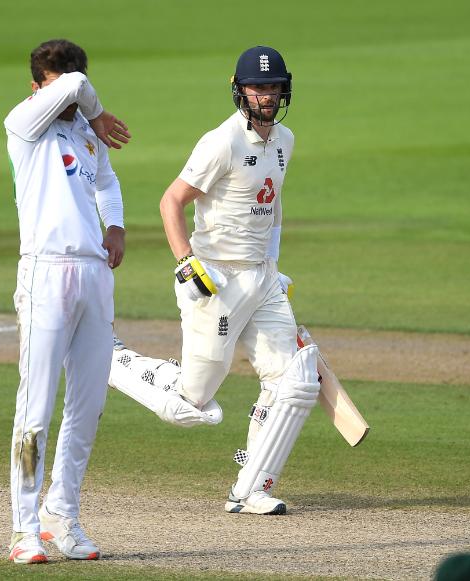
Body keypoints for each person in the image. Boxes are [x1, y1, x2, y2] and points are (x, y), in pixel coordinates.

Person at [109, 45, 317, 516]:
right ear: (240, 90)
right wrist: (186, 262)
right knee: (193, 403)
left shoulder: (284, 140)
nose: (267, 95)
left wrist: (274, 265)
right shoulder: (222, 142)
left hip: (260, 279)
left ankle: (252, 486)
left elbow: (273, 207)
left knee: (293, 380)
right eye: (259, 87)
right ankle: (110, 357)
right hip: (215, 281)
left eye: (274, 86)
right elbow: (171, 201)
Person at [4, 39, 131, 564]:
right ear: (38, 88)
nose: (69, 91)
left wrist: (116, 225)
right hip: (46, 272)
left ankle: (63, 515)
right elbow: (76, 86)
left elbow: (107, 182)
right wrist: (94, 109)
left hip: (94, 275)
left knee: (88, 406)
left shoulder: (85, 132)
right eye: (55, 83)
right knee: (36, 408)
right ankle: (24, 528)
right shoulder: (23, 124)